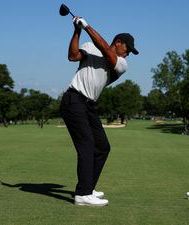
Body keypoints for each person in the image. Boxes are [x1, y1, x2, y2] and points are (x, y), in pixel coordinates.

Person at [59, 16, 138, 206]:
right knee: (86, 145)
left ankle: (88, 187)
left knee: (102, 147)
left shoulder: (120, 63)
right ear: (118, 43)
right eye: (127, 50)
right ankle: (83, 194)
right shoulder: (90, 46)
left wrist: (87, 26)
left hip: (89, 105)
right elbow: (72, 56)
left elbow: (106, 52)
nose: (127, 56)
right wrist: (77, 30)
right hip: (74, 100)